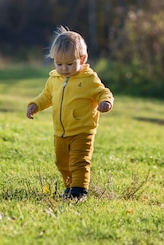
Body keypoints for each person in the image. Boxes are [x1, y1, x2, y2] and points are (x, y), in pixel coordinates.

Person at [26, 27, 114, 201]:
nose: (64, 69)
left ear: (82, 59)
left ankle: (79, 191)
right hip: (61, 132)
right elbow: (47, 96)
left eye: (69, 64)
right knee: (62, 163)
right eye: (59, 64)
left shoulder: (89, 79)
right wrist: (35, 105)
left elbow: (103, 92)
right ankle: (69, 189)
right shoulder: (54, 79)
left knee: (79, 162)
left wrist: (106, 102)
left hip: (82, 130)